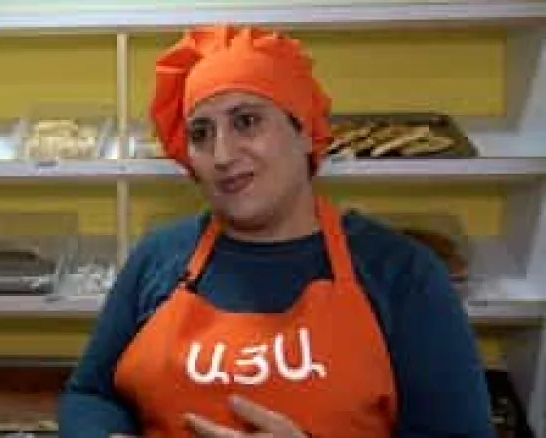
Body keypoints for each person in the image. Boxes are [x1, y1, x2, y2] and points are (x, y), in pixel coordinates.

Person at [58, 25, 494, 438]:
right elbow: (89, 395)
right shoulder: (158, 256)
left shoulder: (403, 274)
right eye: (201, 133)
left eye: (246, 121)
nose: (222, 155)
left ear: (304, 131)